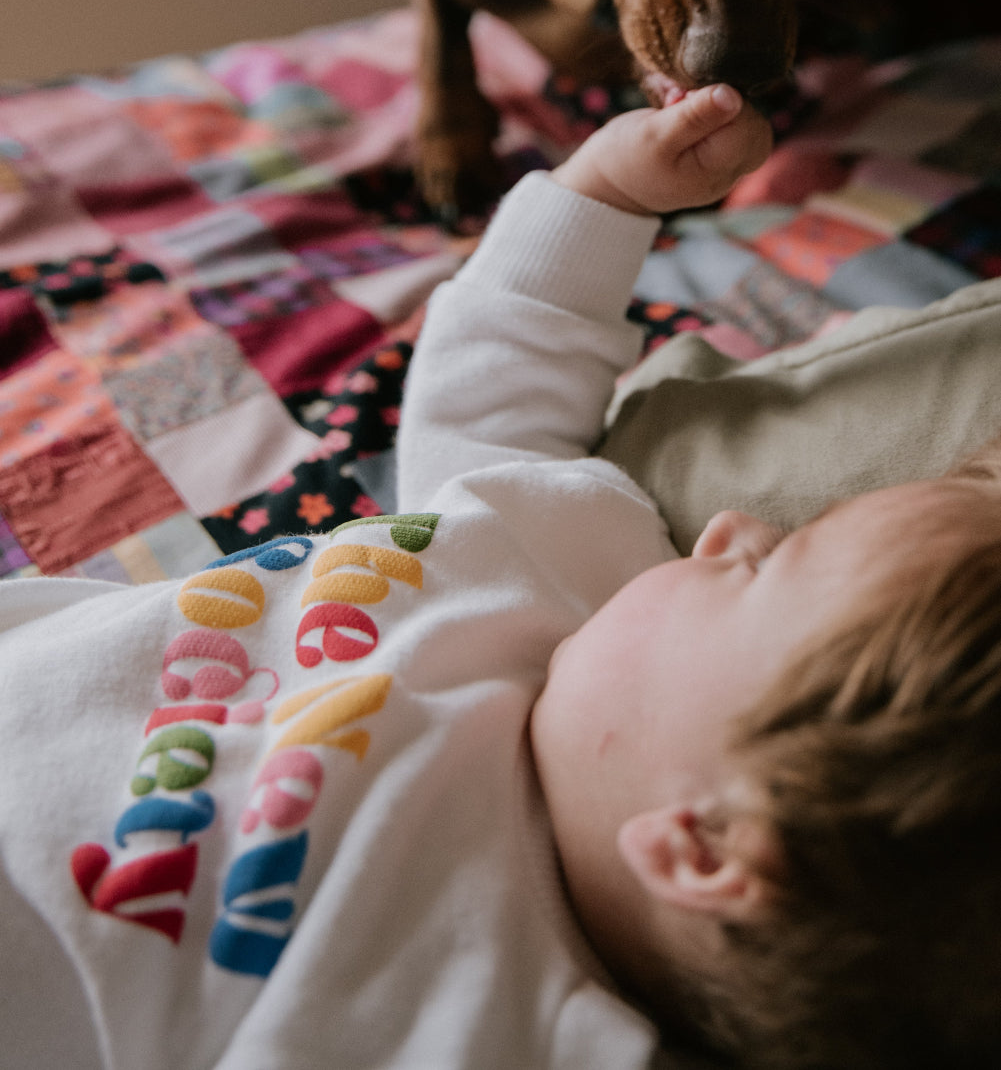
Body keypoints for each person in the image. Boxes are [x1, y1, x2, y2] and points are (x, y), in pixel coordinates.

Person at [1, 83, 1000, 1070]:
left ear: (702, 850)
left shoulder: (485, 1026)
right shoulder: (566, 574)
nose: (730, 527)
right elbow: (492, 396)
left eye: (763, 569)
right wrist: (599, 200)